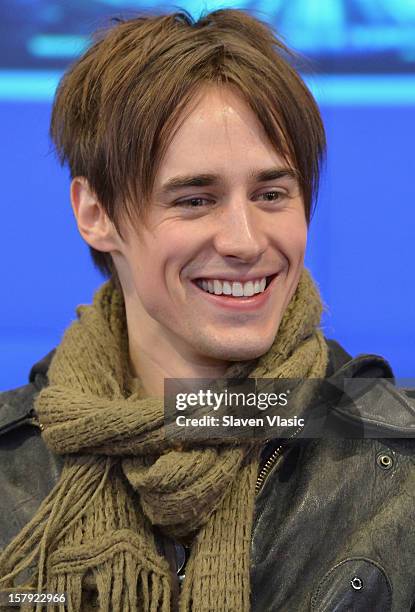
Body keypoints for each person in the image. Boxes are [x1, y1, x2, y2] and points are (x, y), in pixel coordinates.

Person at [0, 8, 414, 612]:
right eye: (195, 200)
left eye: (272, 194)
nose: (245, 241)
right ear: (95, 213)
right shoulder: (13, 470)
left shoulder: (398, 469)